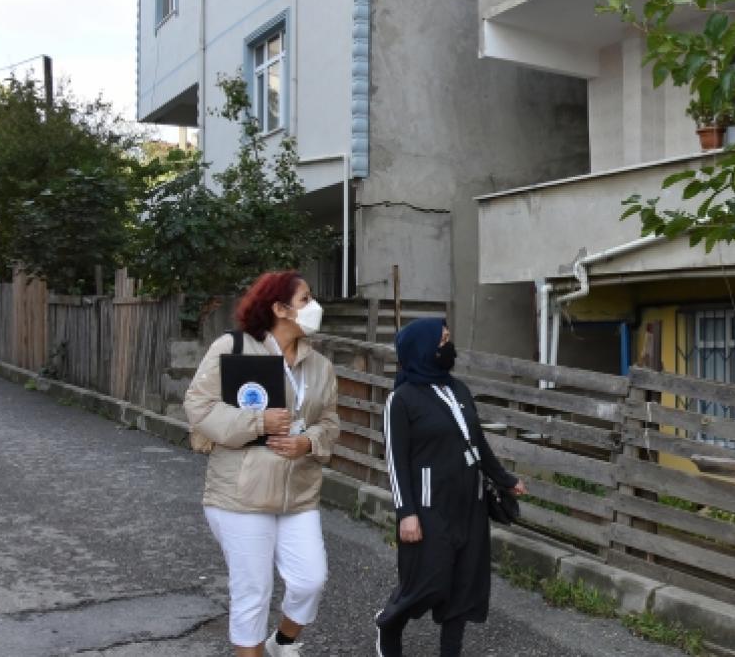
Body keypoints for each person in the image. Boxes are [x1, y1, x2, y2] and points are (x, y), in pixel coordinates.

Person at [183, 271, 340, 657]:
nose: (314, 306)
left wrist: (308, 441)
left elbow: (329, 422)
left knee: (310, 580)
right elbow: (198, 406)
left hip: (298, 493)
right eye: (305, 299)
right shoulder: (233, 347)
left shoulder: (320, 365)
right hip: (242, 493)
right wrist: (258, 422)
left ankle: (281, 641)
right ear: (279, 309)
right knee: (253, 591)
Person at [374, 318, 527, 657]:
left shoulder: (458, 389)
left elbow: (478, 443)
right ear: (423, 348)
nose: (448, 346)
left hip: (470, 504)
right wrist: (406, 513)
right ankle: (389, 625)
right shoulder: (401, 399)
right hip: (429, 508)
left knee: (464, 586)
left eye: (447, 339)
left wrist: (505, 479)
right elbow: (396, 462)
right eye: (442, 341)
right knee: (426, 582)